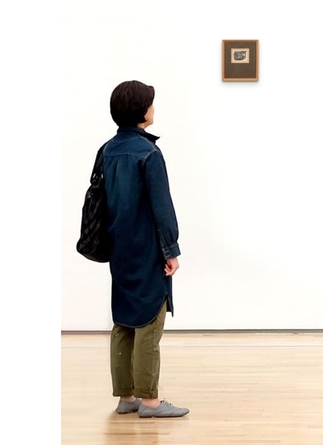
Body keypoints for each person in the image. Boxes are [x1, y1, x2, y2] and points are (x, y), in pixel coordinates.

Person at [101, 80, 189, 418]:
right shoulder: (149, 153)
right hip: (148, 249)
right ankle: (150, 401)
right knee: (150, 321)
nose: (153, 108)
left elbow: (98, 201)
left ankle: (126, 397)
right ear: (142, 111)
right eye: (151, 103)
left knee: (123, 320)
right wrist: (171, 250)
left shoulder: (107, 150)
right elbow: (161, 207)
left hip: (118, 246)